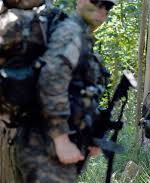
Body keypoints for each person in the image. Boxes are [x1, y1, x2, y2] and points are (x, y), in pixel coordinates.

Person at [14, 0, 117, 182]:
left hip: (54, 148)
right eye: (96, 2)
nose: (101, 11)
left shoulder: (82, 37)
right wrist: (61, 139)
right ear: (80, 1)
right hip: (45, 148)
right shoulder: (71, 32)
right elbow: (51, 79)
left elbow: (76, 93)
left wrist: (91, 136)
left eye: (107, 7)